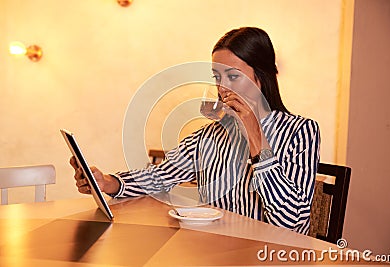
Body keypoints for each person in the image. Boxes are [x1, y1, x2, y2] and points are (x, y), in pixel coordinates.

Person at [71, 27, 320, 235]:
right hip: (218, 252)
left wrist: (255, 137)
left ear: (261, 77)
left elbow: (291, 223)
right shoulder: (210, 135)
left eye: (233, 76)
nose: (222, 88)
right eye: (216, 77)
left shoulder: (301, 131)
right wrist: (108, 183)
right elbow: (160, 176)